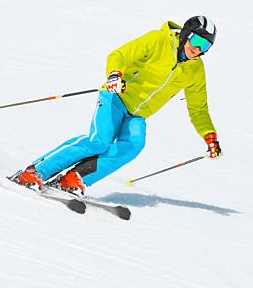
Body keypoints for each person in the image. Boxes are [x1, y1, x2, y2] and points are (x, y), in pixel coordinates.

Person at [13, 16, 222, 196]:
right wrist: (115, 75)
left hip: (137, 115)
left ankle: (73, 179)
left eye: (205, 46)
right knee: (99, 141)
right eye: (195, 40)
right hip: (116, 96)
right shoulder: (158, 40)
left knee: (133, 144)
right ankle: (36, 171)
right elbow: (118, 55)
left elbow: (198, 109)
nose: (197, 49)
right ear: (186, 33)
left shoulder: (195, 71)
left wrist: (209, 135)